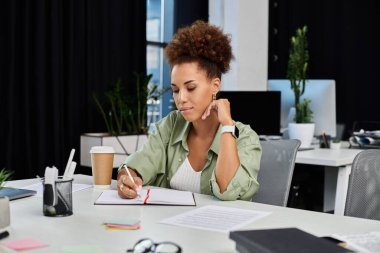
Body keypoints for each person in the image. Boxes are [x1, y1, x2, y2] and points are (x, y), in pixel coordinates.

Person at [117, 20, 261, 201]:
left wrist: (227, 126)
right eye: (175, 90)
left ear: (215, 85)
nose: (181, 98)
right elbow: (136, 165)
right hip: (169, 226)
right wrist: (126, 178)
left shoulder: (246, 138)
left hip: (219, 228)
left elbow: (228, 191)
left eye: (191, 87)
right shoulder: (171, 125)